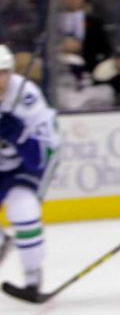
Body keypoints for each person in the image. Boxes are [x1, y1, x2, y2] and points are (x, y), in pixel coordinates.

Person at [0, 44, 59, 300]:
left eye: (3, 72)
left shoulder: (27, 98)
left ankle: (33, 278)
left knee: (24, 211)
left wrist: (18, 133)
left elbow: (41, 157)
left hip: (25, 165)